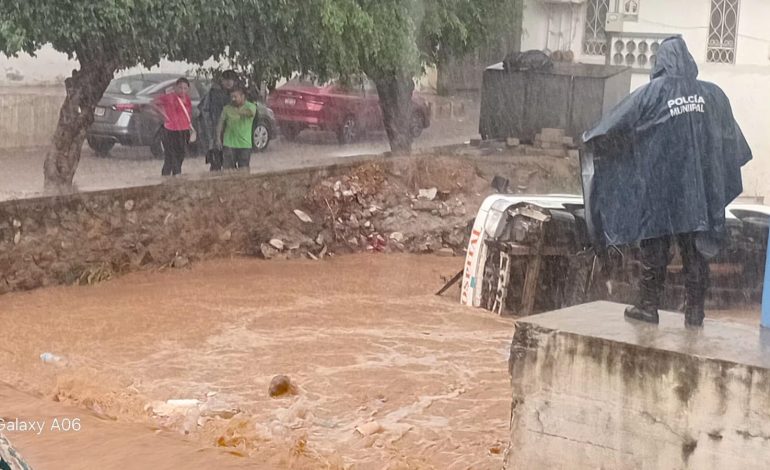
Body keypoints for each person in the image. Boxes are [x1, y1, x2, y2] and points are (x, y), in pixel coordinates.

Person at [581, 36, 752, 327]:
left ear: (660, 62)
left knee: (655, 247)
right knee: (695, 250)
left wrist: (589, 142)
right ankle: (695, 312)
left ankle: (648, 307)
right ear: (689, 61)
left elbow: (613, 128)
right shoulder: (713, 95)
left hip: (660, 190)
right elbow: (731, 143)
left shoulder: (651, 94)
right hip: (697, 194)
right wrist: (711, 180)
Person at [151, 77, 194, 176]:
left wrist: (189, 126)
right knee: (170, 156)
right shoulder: (169, 97)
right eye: (180, 88)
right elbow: (153, 103)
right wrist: (162, 114)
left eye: (185, 88)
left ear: (188, 89)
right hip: (170, 131)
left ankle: (175, 175)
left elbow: (188, 113)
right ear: (175, 87)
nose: (182, 90)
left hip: (184, 131)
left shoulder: (187, 99)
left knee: (181, 155)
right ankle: (170, 176)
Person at [199, 70, 238, 171]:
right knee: (216, 163)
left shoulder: (237, 94)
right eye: (226, 79)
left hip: (232, 133)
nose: (229, 82)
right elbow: (204, 111)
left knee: (231, 164)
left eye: (231, 80)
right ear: (222, 80)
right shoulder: (213, 93)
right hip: (215, 132)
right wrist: (211, 130)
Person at [216, 87, 256, 170]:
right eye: (231, 97)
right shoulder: (227, 108)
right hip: (229, 144)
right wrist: (218, 138)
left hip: (245, 144)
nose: (233, 99)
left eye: (235, 97)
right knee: (228, 171)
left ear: (243, 96)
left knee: (244, 171)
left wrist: (238, 111)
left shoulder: (250, 106)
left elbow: (251, 113)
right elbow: (220, 123)